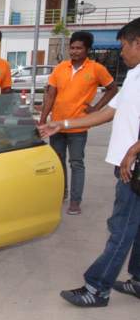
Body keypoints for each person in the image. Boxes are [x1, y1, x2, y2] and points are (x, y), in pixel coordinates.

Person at [38, 18, 140, 307]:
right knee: (135, 226)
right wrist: (62, 124)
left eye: (124, 46)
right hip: (127, 162)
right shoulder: (134, 76)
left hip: (133, 167)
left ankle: (97, 288)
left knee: (121, 228)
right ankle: (138, 280)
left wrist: (134, 150)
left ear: (138, 43)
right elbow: (107, 113)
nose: (121, 52)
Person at [39, 31, 118, 215]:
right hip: (56, 126)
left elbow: (112, 88)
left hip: (79, 127)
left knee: (76, 163)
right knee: (58, 162)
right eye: (72, 48)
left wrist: (96, 108)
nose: (74, 51)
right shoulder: (60, 68)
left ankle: (75, 201)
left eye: (78, 48)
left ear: (87, 49)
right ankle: (61, 194)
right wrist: (43, 119)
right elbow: (50, 95)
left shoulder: (96, 69)